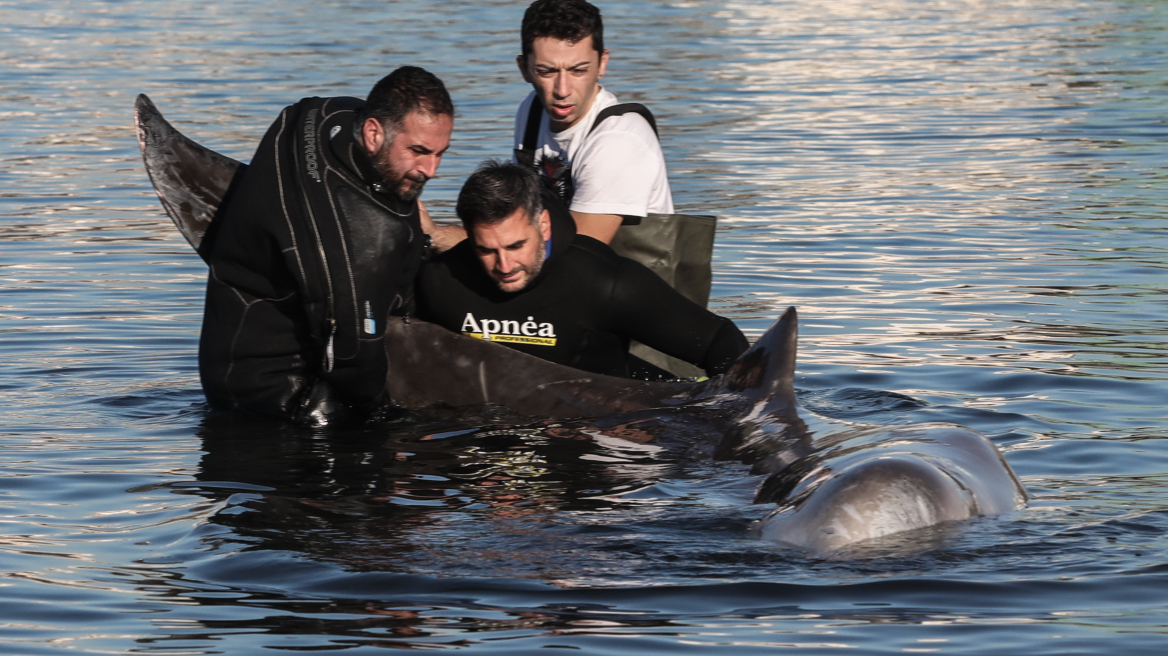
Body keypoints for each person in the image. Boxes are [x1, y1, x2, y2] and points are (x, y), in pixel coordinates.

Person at [199, 66, 457, 424]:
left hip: (221, 373)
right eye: (418, 151)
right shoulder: (367, 241)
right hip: (279, 401)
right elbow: (353, 363)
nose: (431, 169)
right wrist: (394, 425)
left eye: (440, 153)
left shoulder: (314, 115)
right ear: (372, 133)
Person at [415, 161, 746, 378]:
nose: (504, 266)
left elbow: (723, 343)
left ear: (543, 225)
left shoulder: (601, 281)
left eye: (517, 246)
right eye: (486, 250)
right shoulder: (440, 279)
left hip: (590, 443)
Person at [513, 0, 673, 244]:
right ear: (524, 69)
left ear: (602, 64)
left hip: (614, 274)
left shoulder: (619, 139)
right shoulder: (532, 110)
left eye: (578, 70)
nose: (562, 90)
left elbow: (580, 255)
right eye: (547, 72)